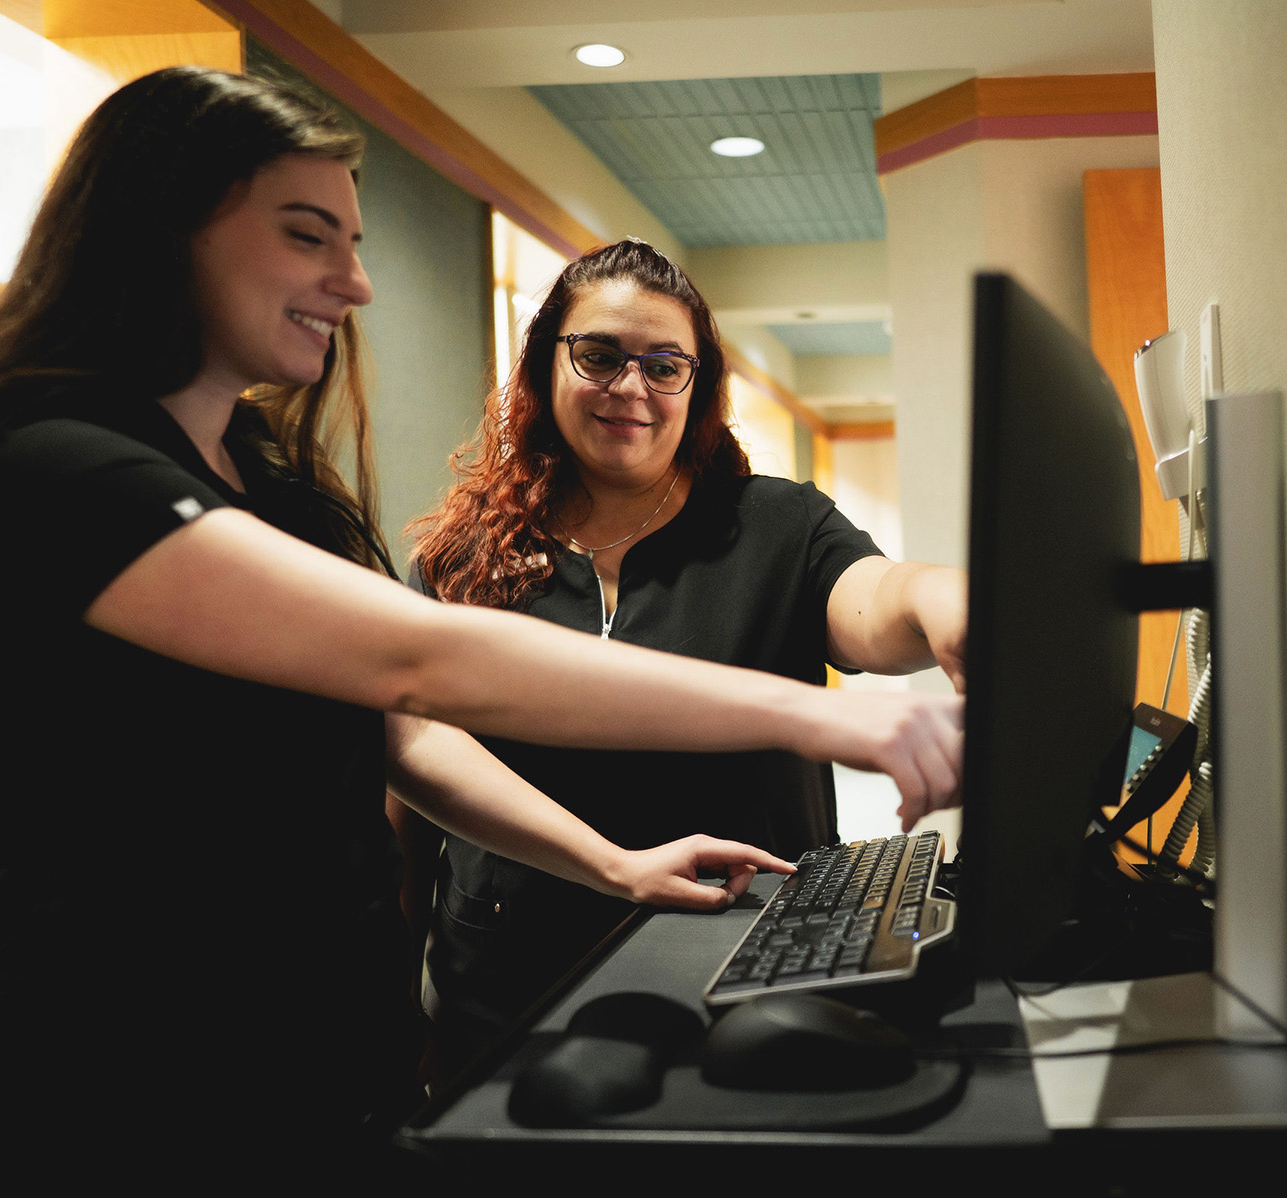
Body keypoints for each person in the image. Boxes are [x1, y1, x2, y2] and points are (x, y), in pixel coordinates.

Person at [0, 68, 963, 1190]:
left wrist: (612, 865)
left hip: (320, 1087)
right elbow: (421, 660)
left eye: (354, 238)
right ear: (163, 232)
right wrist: (827, 716)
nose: (356, 282)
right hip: (116, 1106)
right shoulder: (54, 467)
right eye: (307, 237)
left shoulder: (268, 485)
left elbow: (399, 724)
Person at [403, 239, 969, 1076]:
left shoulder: (776, 527)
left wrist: (942, 599)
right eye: (599, 356)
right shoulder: (459, 557)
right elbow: (409, 777)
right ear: (543, 365)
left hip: (747, 981)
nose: (631, 387)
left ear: (696, 386)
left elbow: (875, 602)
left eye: (666, 366)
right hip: (507, 993)